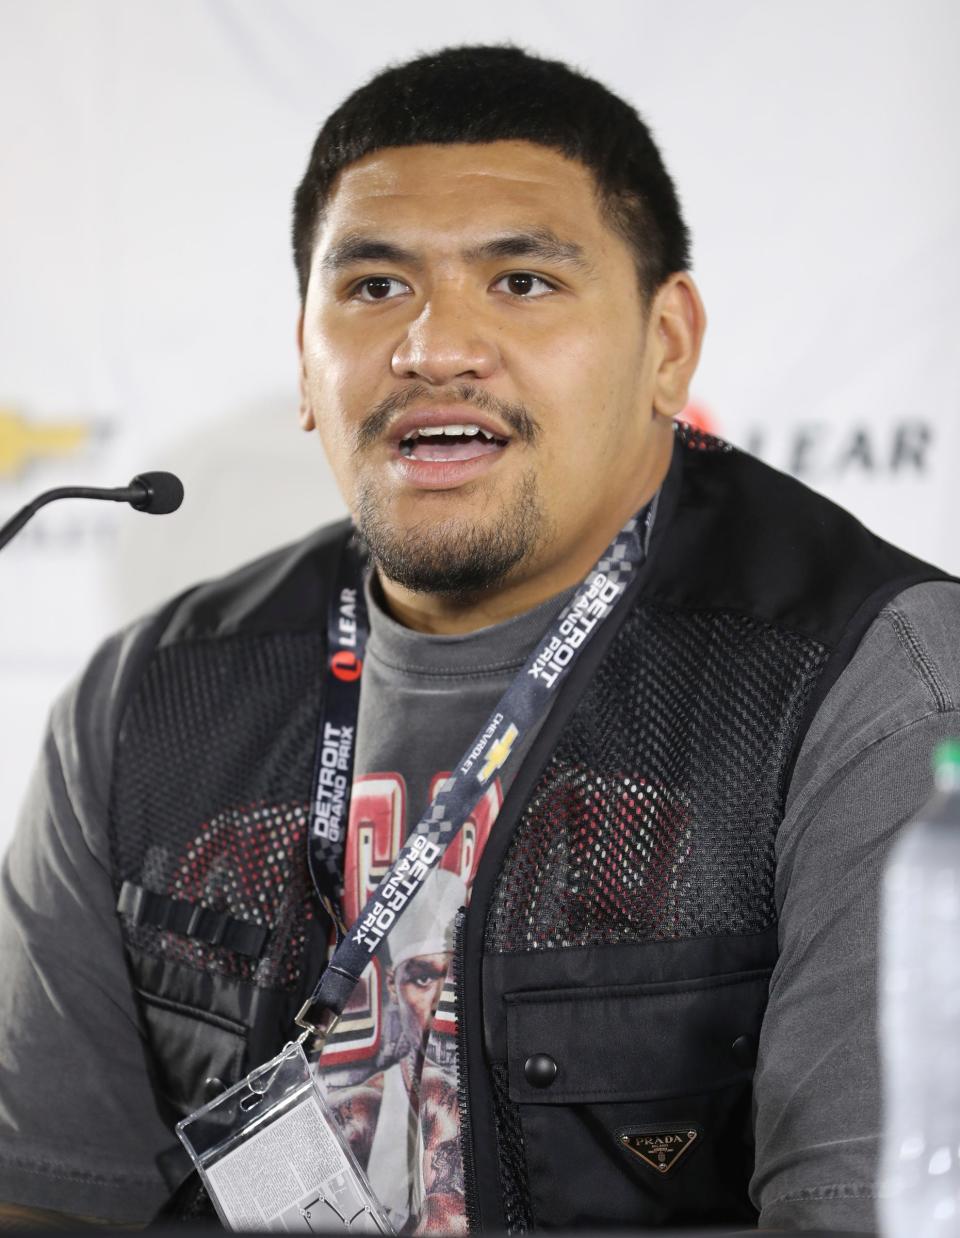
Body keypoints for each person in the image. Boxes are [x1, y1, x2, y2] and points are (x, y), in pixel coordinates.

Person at [0, 42, 958, 1233]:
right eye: (373, 288)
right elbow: (51, 1199)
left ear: (669, 342)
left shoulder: (866, 678)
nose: (435, 345)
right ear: (304, 358)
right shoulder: (147, 699)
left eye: (521, 282)